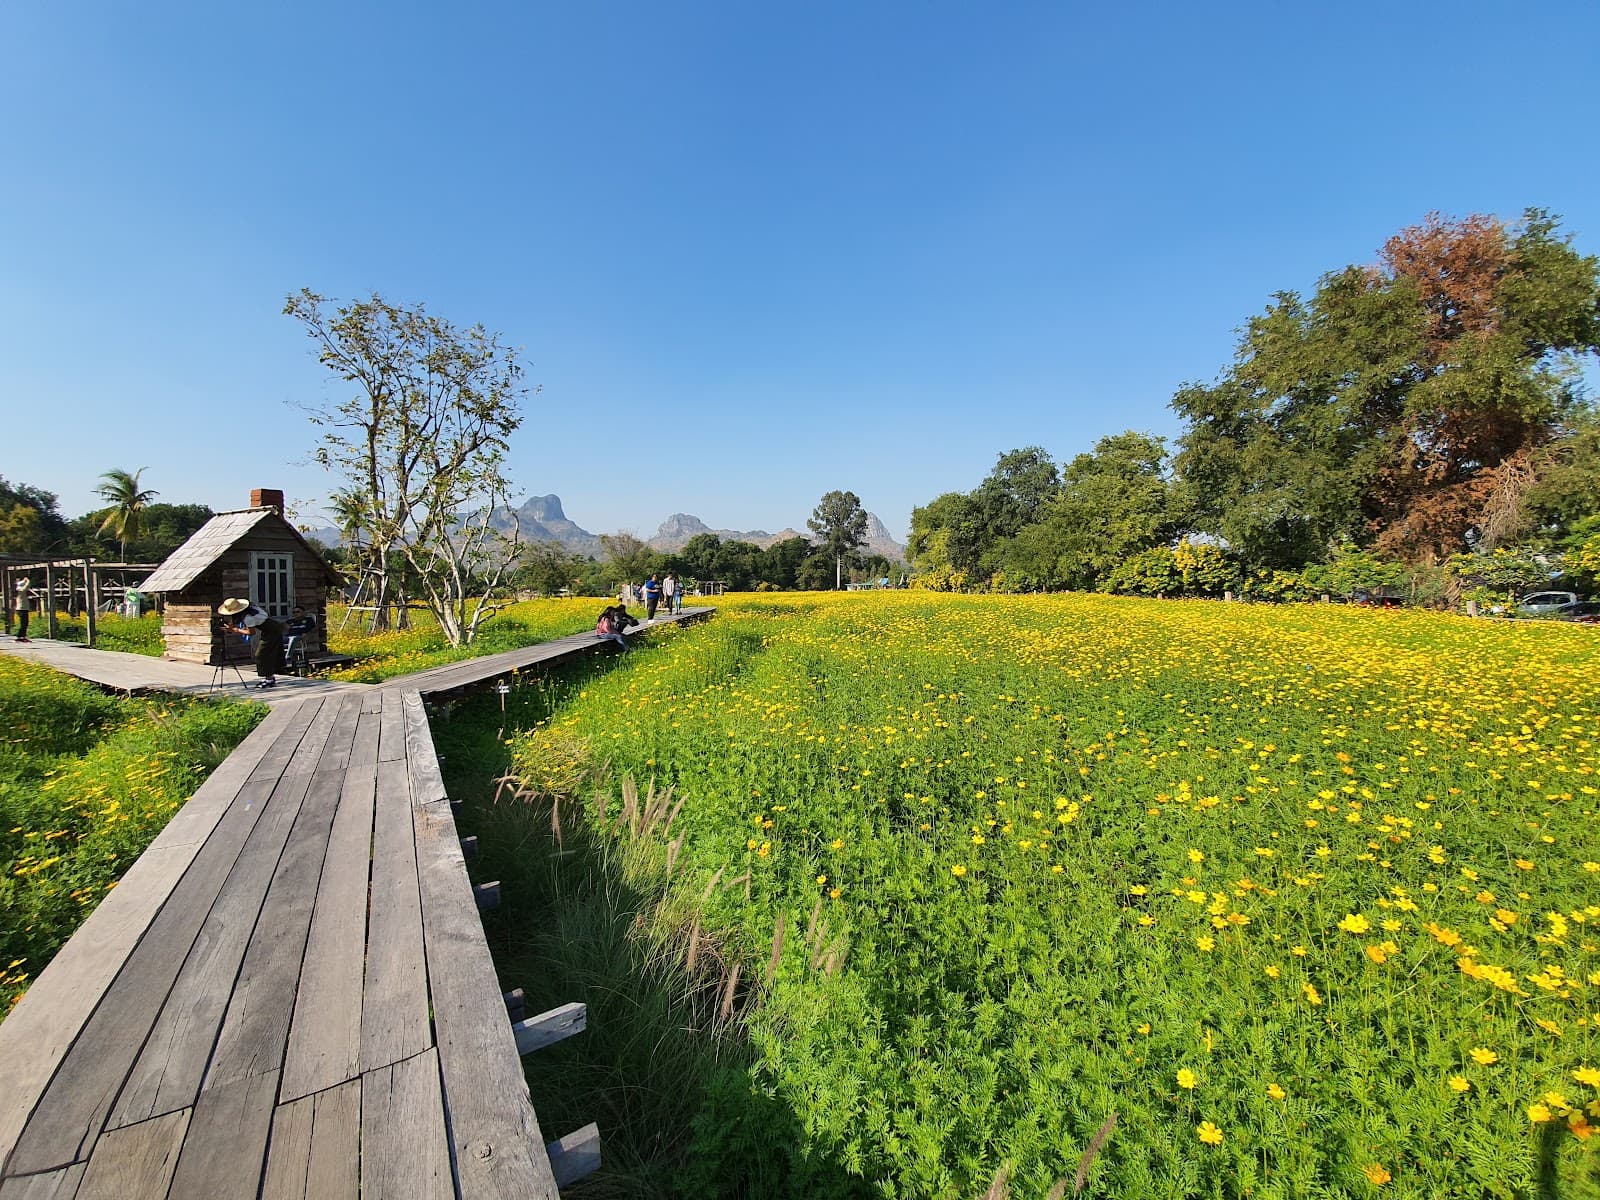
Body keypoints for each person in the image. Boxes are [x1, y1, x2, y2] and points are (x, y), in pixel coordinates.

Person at [218, 597, 285, 688]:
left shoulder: (248, 617)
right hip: (271, 628)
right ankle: (269, 677)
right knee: (265, 654)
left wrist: (236, 630)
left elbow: (251, 632)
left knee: (260, 655)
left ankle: (269, 679)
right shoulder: (251, 609)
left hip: (272, 632)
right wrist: (232, 626)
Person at [13, 578, 34, 642]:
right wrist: (27, 580)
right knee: (24, 623)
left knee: (25, 623)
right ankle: (19, 636)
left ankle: (22, 636)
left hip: (22, 609)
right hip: (22, 609)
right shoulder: (21, 591)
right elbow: (26, 586)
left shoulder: (20, 591)